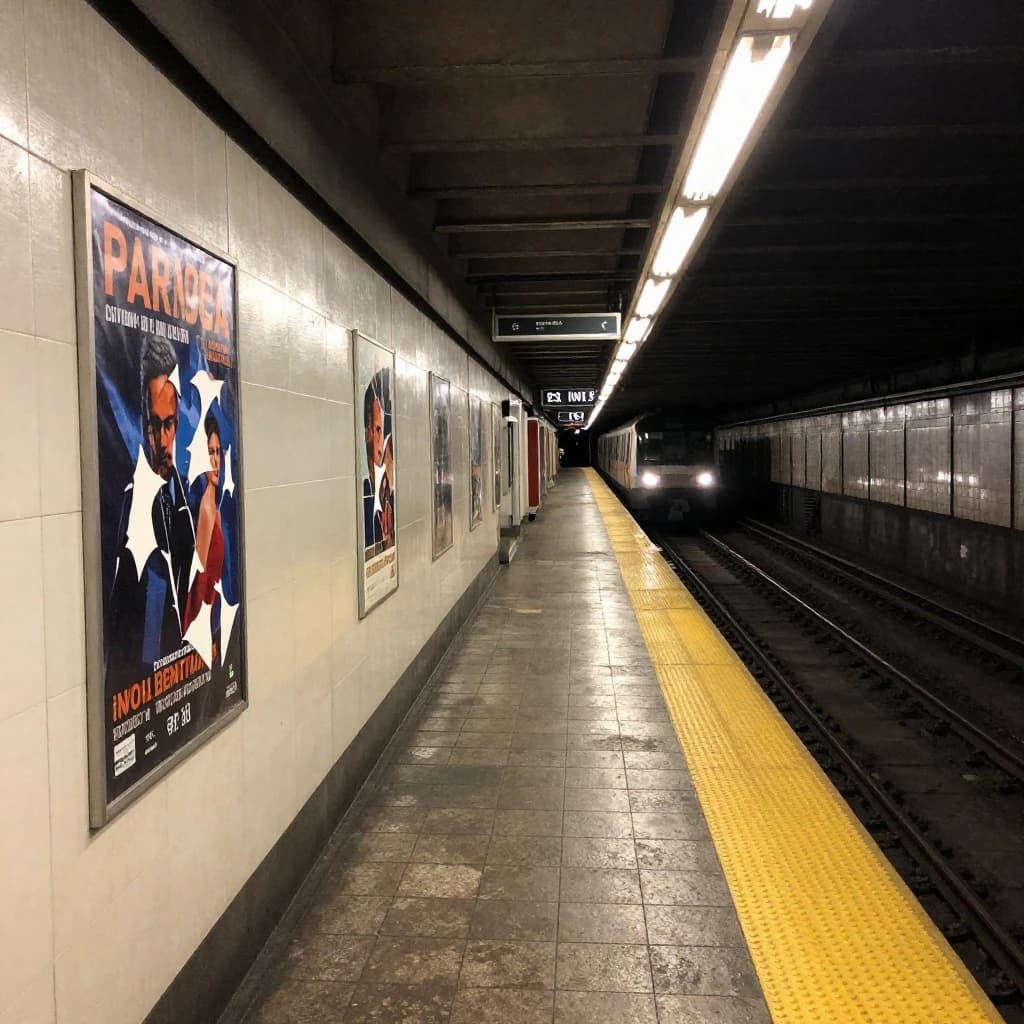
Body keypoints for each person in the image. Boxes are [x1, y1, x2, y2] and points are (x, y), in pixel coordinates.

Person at [107, 335, 196, 674]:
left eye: (169, 424)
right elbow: (123, 626)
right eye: (153, 426)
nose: (161, 441)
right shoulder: (134, 503)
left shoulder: (185, 496)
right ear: (143, 424)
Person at [183, 411, 225, 632]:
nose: (216, 460)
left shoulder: (215, 510)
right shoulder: (207, 510)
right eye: (210, 452)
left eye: (218, 452)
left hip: (209, 618)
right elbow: (199, 581)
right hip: (200, 622)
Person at [362, 368, 395, 553]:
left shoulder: (390, 490)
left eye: (381, 431)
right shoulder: (366, 492)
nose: (379, 443)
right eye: (375, 430)